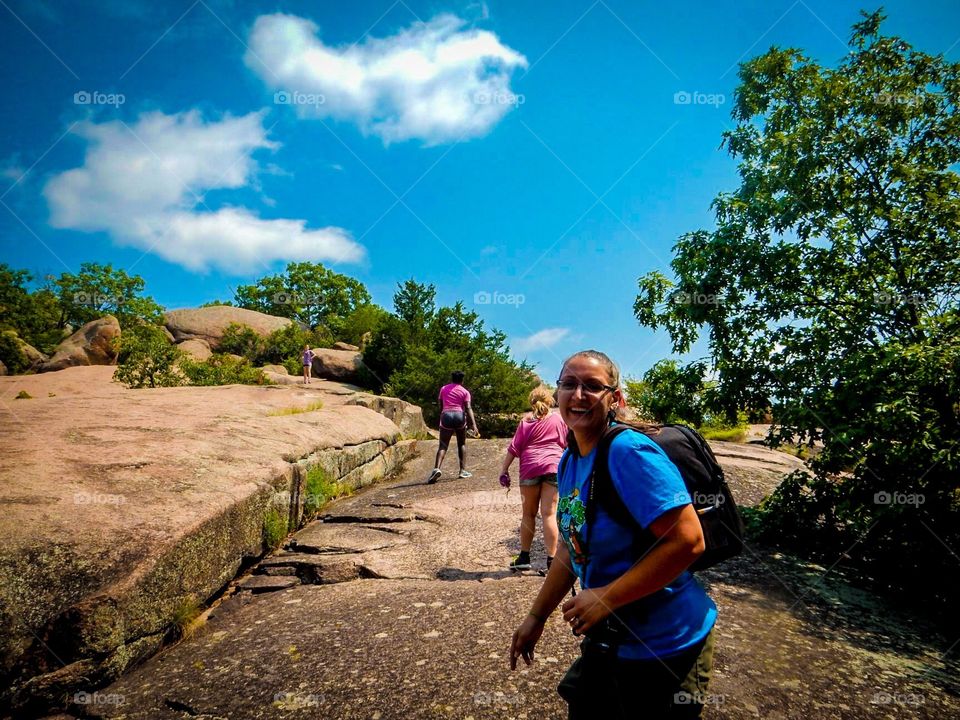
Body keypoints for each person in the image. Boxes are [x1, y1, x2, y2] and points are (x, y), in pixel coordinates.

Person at [509, 350, 717, 719]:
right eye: (569, 384)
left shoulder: (628, 451)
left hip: (665, 647)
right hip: (610, 640)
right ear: (556, 394)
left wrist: (605, 598)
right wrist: (536, 617)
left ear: (615, 399)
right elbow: (570, 551)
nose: (578, 395)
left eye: (593, 386)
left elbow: (688, 541)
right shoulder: (570, 459)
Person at [498, 386, 567, 573]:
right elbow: (568, 444)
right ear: (550, 401)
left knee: (528, 514)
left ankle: (524, 557)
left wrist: (504, 470)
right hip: (553, 466)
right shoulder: (559, 419)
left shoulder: (526, 421)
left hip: (529, 468)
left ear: (531, 401)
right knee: (549, 514)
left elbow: (514, 448)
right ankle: (552, 560)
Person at [426, 370, 480, 483]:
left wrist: (442, 415)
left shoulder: (443, 389)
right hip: (459, 416)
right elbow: (468, 408)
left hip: (446, 415)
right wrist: (473, 425)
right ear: (462, 380)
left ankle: (436, 469)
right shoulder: (465, 392)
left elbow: (441, 404)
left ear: (452, 379)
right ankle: (462, 471)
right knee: (461, 444)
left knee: (443, 445)